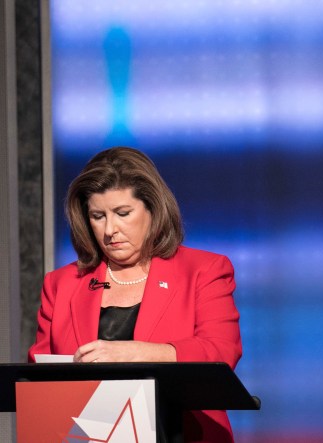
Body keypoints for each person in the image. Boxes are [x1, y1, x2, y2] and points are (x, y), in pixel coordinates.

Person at [28, 147, 243, 442]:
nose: (110, 230)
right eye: (98, 216)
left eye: (123, 213)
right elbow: (37, 377)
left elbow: (220, 352)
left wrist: (130, 353)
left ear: (152, 209)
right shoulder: (61, 283)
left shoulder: (204, 271)